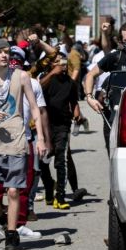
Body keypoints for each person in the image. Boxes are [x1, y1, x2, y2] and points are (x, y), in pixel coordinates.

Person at [0, 39, 47, 250]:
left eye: (7, 52)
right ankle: (1, 218)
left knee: (13, 191)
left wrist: (40, 138)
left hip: (17, 140)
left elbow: (34, 108)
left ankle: (11, 235)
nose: (5, 55)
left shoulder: (22, 77)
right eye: (0, 52)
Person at [83, 22, 126, 153]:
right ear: (121, 41)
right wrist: (89, 97)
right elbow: (90, 75)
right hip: (116, 120)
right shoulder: (116, 57)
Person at [39, 53, 87, 209]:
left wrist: (76, 112)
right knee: (43, 161)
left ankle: (60, 196)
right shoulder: (46, 79)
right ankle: (48, 188)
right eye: (59, 62)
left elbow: (73, 102)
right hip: (45, 125)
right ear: (52, 64)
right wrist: (52, 73)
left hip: (62, 126)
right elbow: (36, 88)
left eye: (65, 62)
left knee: (62, 160)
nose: (63, 65)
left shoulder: (70, 83)